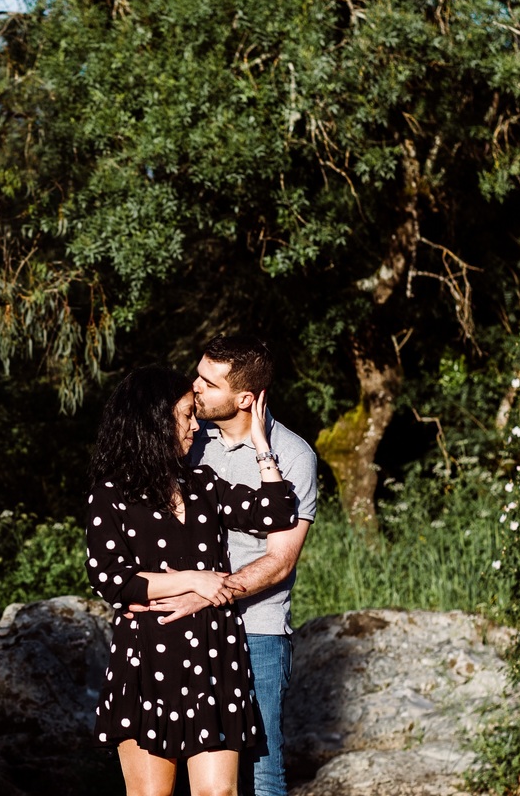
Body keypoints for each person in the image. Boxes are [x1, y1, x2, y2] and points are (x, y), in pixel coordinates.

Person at [86, 365, 299, 796]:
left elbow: (278, 512)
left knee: (219, 793)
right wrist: (194, 580)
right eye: (186, 414)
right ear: (155, 421)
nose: (195, 424)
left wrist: (262, 446)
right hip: (147, 654)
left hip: (216, 652)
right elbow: (109, 579)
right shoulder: (110, 493)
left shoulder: (202, 484)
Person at [145, 336, 318, 796]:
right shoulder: (189, 440)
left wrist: (204, 593)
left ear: (244, 398)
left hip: (254, 629)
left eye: (208, 381)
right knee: (185, 767)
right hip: (185, 623)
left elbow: (279, 561)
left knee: (262, 773)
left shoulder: (295, 456)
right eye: (197, 374)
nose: (194, 387)